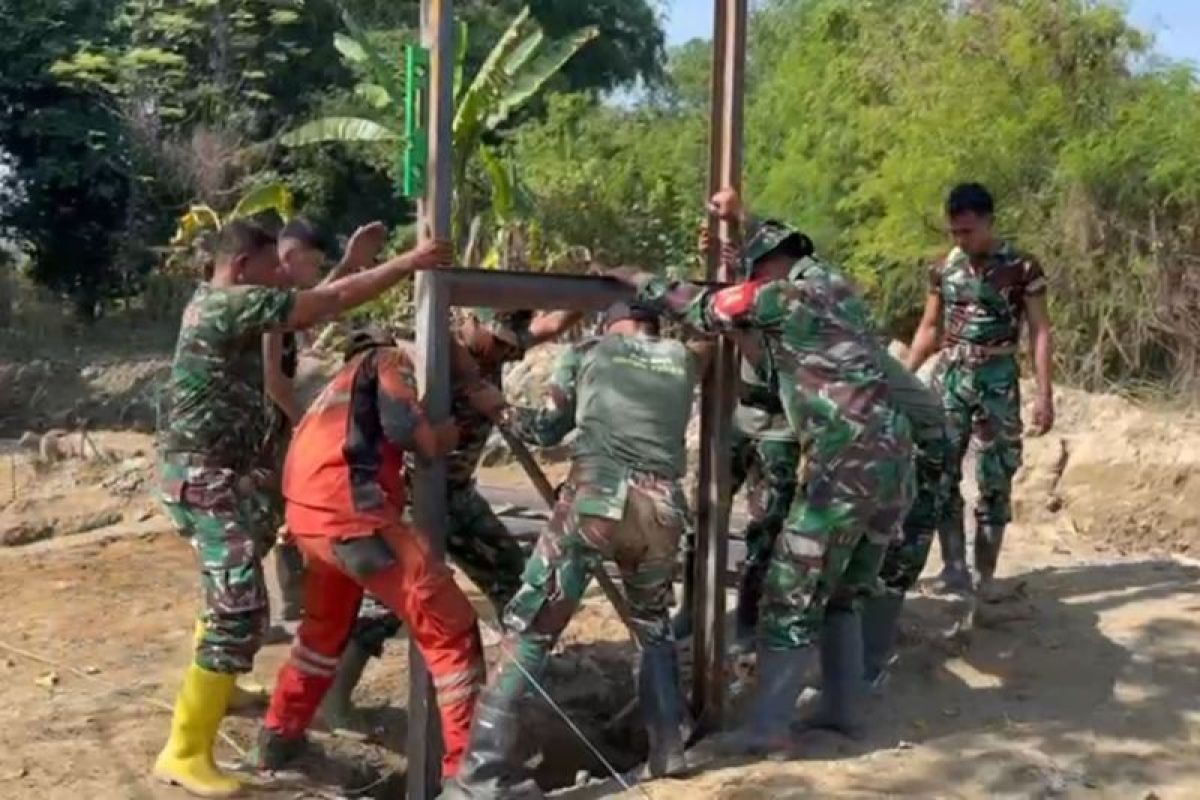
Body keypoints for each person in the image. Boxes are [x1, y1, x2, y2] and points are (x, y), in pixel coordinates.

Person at [610, 189, 914, 757]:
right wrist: (741, 225)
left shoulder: (782, 297)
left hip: (843, 462)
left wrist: (639, 280)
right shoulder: (838, 289)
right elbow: (768, 346)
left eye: (753, 270)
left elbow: (705, 308)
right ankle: (843, 712)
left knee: (788, 592)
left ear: (769, 266)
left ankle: (769, 725)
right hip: (893, 460)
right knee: (844, 592)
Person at [153, 218, 449, 797]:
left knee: (231, 588)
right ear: (242, 268)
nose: (281, 278)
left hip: (232, 475)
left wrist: (353, 266)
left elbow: (312, 304)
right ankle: (183, 751)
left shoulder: (229, 305)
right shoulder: (226, 305)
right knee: (238, 608)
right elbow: (323, 303)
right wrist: (406, 264)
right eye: (273, 269)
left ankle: (223, 686)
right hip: (205, 478)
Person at [442, 301, 704, 799]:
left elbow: (545, 430)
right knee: (653, 628)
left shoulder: (586, 352)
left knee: (530, 629)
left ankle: (482, 774)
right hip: (662, 509)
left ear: (608, 324)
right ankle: (668, 747)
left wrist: (494, 403)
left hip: (596, 503)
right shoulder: (681, 358)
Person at [315, 308, 581, 731]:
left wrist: (598, 290)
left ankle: (526, 676)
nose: (503, 349)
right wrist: (463, 368)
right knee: (392, 603)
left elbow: (551, 324)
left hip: (458, 495)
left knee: (513, 578)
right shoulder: (432, 351)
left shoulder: (494, 350)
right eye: (496, 338)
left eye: (509, 342)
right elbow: (401, 352)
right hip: (415, 497)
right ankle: (335, 700)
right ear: (469, 320)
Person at [252, 327, 484, 781]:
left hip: (310, 522)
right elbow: (407, 428)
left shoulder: (332, 393)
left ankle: (279, 738)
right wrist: (442, 436)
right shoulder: (385, 362)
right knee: (451, 629)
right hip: (352, 517)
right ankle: (468, 774)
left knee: (323, 634)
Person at [907, 182, 1054, 597]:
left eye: (968, 231)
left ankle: (984, 577)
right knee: (939, 472)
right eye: (955, 231)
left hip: (997, 378)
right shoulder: (944, 269)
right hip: (951, 377)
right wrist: (902, 378)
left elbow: (1040, 330)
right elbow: (929, 328)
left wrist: (1044, 394)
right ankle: (953, 568)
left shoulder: (1023, 267)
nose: (961, 239)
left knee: (996, 476)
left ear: (989, 222)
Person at [263, 218, 389, 632]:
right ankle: (278, 607)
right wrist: (306, 427)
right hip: (267, 428)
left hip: (276, 424)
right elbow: (274, 382)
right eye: (314, 264)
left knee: (285, 514)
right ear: (291, 256)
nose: (317, 273)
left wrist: (349, 265)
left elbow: (318, 301)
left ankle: (293, 602)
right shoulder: (267, 300)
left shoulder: (282, 298)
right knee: (278, 516)